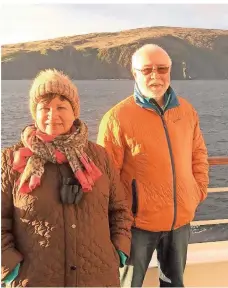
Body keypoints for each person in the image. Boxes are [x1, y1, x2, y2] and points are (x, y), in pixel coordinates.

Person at [1, 69, 133, 287]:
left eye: (61, 107)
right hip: (36, 280)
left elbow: (119, 209)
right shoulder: (11, 160)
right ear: (35, 113)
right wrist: (10, 265)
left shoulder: (99, 157)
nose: (53, 115)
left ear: (74, 112)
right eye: (45, 108)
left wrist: (118, 248)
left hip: (98, 277)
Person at [97, 44, 209, 287]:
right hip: (137, 225)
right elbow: (106, 177)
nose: (155, 75)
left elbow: (198, 154)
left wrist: (196, 191)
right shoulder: (116, 118)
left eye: (162, 68)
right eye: (146, 69)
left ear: (170, 70)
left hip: (179, 221)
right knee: (128, 284)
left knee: (174, 283)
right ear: (134, 73)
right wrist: (119, 217)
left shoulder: (186, 111)